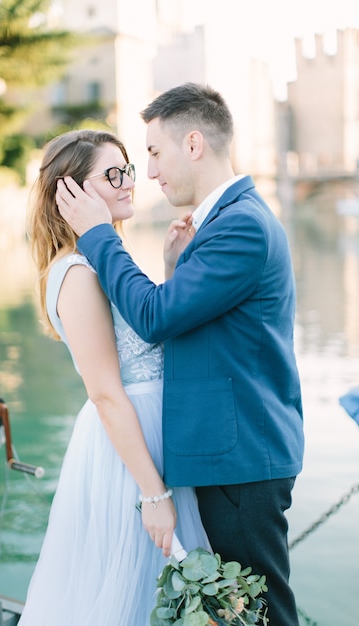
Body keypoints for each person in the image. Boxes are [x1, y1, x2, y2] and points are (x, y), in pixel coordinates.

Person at [55, 83, 305, 626]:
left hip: (238, 463)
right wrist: (174, 272)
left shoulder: (239, 226)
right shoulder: (221, 225)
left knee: (260, 616)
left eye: (152, 153)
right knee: (234, 613)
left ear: (193, 144)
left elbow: (152, 317)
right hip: (219, 458)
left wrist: (99, 235)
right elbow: (185, 327)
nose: (148, 173)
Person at [18, 129, 210, 626]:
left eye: (127, 168)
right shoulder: (77, 273)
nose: (130, 181)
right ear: (72, 192)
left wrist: (169, 271)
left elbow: (146, 345)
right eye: (113, 173)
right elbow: (105, 392)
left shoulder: (104, 262)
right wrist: (154, 494)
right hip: (128, 456)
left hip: (153, 439)